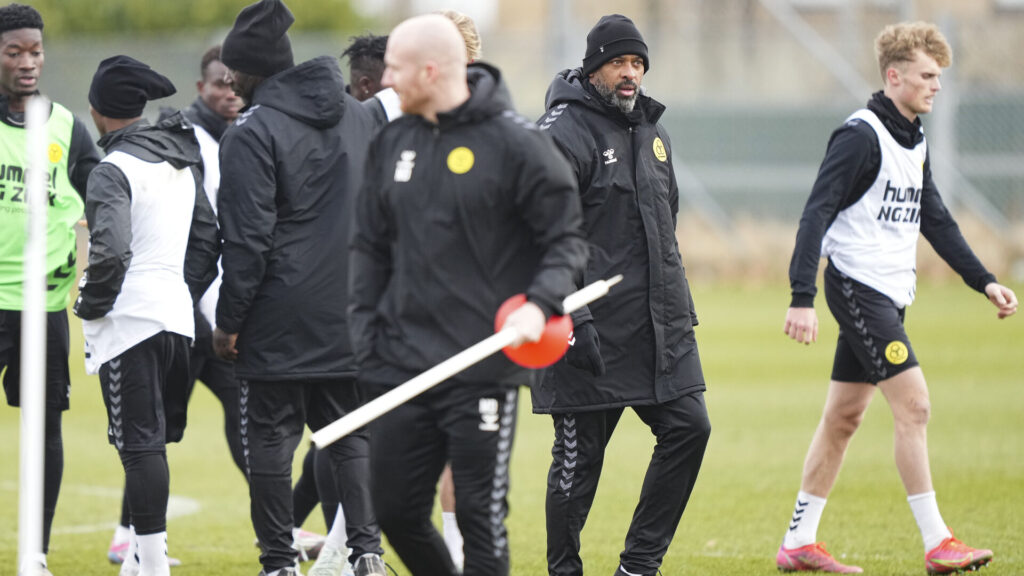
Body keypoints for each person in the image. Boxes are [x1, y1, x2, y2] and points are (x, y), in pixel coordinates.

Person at [349, 14, 587, 576]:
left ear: (431, 71)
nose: (386, 81)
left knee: (479, 515)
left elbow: (566, 242)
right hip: (401, 365)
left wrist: (540, 303)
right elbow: (369, 249)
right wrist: (366, 339)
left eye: (396, 69)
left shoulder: (517, 144)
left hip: (482, 366)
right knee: (395, 510)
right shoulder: (392, 142)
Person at [776, 21, 1017, 575]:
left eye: (939, 76)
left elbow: (934, 217)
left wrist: (983, 279)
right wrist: (801, 295)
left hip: (889, 293)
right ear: (895, 76)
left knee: (844, 416)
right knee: (915, 405)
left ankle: (799, 543)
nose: (937, 86)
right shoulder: (859, 136)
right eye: (927, 76)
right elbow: (815, 212)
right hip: (858, 288)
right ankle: (938, 543)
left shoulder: (914, 138)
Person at [534, 14, 712, 576]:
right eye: (619, 63)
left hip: (658, 329)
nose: (631, 74)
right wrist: (576, 318)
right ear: (594, 70)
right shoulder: (562, 131)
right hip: (587, 331)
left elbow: (667, 228)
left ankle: (638, 567)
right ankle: (564, 570)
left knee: (689, 428)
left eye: (638, 63)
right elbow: (540, 234)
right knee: (578, 463)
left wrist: (679, 313)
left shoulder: (653, 134)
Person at [212, 1, 385, 575]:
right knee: (350, 435)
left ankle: (278, 562)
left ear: (253, 70)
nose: (228, 81)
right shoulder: (363, 118)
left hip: (278, 313)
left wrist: (229, 322)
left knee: (270, 439)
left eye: (233, 70)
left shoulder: (251, 132)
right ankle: (366, 554)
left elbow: (247, 240)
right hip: (351, 309)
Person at [105, 43, 247, 568]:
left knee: (241, 414)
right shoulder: (179, 139)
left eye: (235, 84)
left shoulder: (248, 133)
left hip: (213, 309)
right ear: (200, 88)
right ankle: (130, 538)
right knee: (154, 430)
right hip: (179, 312)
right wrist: (186, 294)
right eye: (220, 84)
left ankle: (280, 523)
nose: (229, 93)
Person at [76, 55, 219, 576]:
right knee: (151, 446)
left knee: (138, 447)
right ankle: (139, 561)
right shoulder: (178, 162)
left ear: (96, 110)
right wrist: (178, 290)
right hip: (176, 320)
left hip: (131, 322)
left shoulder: (111, 169)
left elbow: (109, 253)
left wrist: (88, 304)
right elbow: (209, 239)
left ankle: (152, 566)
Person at [0, 4, 100, 574]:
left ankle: (35, 553)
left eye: (35, 50)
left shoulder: (65, 126)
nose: (28, 61)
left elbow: (103, 201)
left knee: (44, 430)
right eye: (14, 51)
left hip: (41, 308)